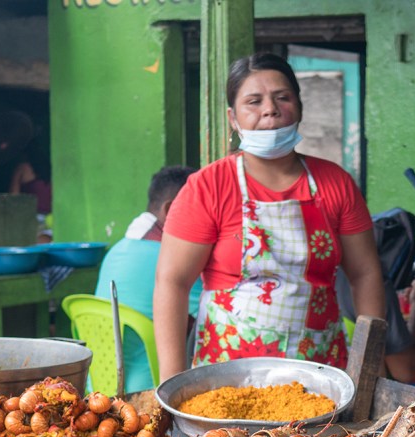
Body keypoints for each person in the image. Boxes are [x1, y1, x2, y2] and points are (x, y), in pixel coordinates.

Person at [154, 53, 385, 380]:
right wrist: (172, 381)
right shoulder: (208, 186)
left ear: (299, 107)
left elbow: (364, 273)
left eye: (282, 98)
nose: (270, 109)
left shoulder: (335, 183)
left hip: (318, 372)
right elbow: (172, 283)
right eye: (254, 101)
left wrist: (371, 369)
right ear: (233, 118)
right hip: (227, 377)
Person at [94, 165, 201, 393]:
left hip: (100, 385)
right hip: (150, 386)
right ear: (171, 209)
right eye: (201, 209)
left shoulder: (117, 250)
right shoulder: (174, 259)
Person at [336, 273, 415, 383]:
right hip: (356, 387)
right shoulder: (372, 283)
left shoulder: (330, 274)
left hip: (329, 384)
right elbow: (404, 371)